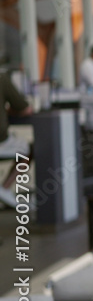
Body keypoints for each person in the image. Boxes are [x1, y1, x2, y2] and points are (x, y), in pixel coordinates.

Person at [0, 69, 31, 207]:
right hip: (1, 141)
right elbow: (25, 109)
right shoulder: (2, 78)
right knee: (28, 150)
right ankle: (5, 188)